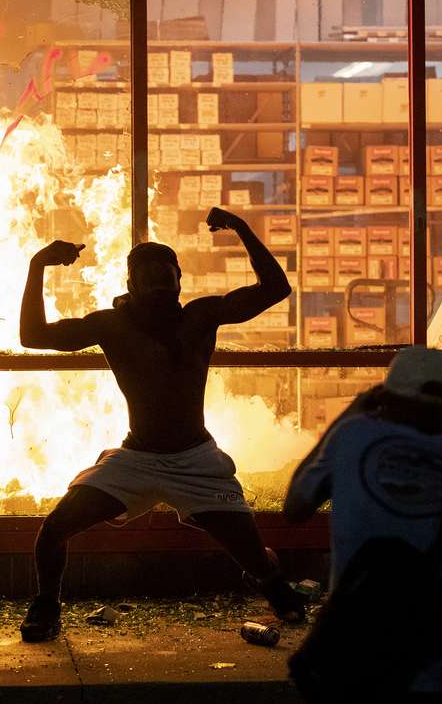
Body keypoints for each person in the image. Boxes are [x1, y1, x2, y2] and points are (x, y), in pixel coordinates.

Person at [17, 207, 307, 642]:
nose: (157, 283)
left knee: (254, 557)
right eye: (146, 276)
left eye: (164, 275)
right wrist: (37, 264)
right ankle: (46, 604)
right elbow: (33, 335)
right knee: (54, 529)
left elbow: (275, 288)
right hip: (135, 459)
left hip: (197, 461)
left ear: (179, 281)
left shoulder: (200, 316)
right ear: (131, 286)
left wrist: (242, 228)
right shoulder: (111, 325)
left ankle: (269, 580)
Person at [284, 346, 442, 704]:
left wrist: (351, 413)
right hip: (437, 660)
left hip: (352, 653)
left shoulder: (353, 437)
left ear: (386, 398)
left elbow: (295, 507)